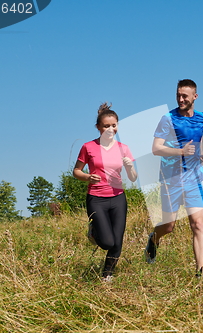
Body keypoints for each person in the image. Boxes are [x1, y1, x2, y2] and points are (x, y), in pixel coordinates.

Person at [144, 79, 203, 277]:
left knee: (198, 224)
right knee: (169, 226)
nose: (180, 99)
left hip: (193, 178)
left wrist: (200, 153)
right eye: (178, 95)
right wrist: (181, 151)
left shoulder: (202, 117)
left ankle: (201, 271)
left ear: (195, 96)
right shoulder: (168, 118)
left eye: (185, 95)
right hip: (172, 179)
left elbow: (199, 136)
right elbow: (156, 148)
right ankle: (154, 239)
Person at [73, 102, 137, 282]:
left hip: (118, 198)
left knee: (117, 241)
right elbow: (76, 171)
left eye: (114, 125)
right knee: (107, 242)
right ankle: (94, 232)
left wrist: (130, 167)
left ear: (117, 125)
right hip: (96, 198)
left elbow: (133, 177)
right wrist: (87, 177)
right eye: (106, 126)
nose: (110, 129)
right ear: (98, 127)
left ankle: (107, 275)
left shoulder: (123, 148)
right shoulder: (88, 147)